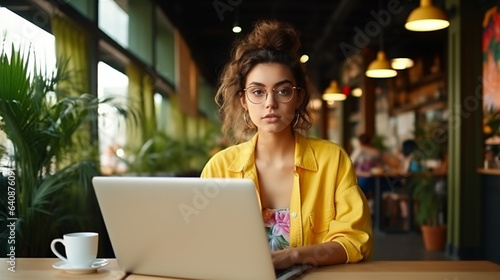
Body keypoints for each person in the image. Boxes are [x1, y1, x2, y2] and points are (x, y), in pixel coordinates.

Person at [200, 19, 372, 270]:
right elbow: (202, 241)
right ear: (244, 100)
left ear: (298, 97)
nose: (270, 102)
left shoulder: (332, 160)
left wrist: (293, 256)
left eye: (282, 91)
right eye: (258, 92)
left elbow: (355, 241)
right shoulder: (220, 168)